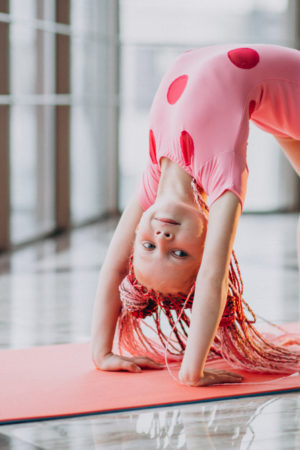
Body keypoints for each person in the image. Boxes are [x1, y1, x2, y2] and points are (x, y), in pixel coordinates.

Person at [91, 44, 300, 387]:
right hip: (283, 101)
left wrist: (101, 352)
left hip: (282, 98)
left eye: (146, 247)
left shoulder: (152, 179)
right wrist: (192, 369)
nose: (162, 239)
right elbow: (213, 279)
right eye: (178, 254)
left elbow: (114, 267)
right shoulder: (223, 174)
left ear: (137, 233)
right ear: (205, 240)